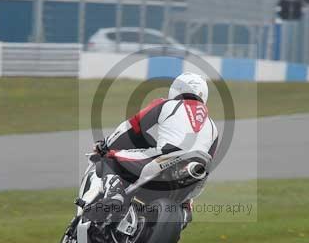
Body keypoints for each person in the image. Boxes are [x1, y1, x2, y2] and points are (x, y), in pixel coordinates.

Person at [90, 72, 219, 223]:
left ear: (176, 89)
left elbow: (132, 126)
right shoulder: (213, 127)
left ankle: (115, 197)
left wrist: (105, 145)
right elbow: (210, 159)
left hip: (165, 158)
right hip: (195, 173)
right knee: (186, 204)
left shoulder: (165, 104)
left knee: (110, 158)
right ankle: (184, 212)